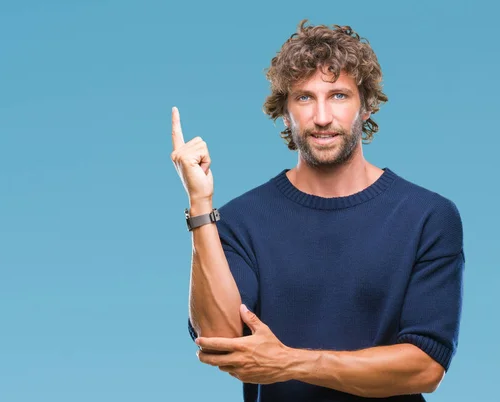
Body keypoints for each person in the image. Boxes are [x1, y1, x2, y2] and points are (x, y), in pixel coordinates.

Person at [170, 19, 465, 402]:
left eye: (339, 96)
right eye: (304, 97)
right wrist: (200, 205)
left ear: (367, 106)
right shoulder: (240, 221)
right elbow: (221, 340)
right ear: (285, 111)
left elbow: (425, 367)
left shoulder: (428, 216)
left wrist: (292, 363)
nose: (322, 117)